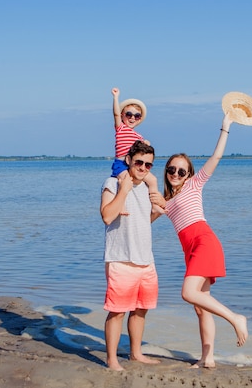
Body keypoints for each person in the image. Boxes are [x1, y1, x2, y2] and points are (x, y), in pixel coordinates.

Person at [160, 114, 248, 368]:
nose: (176, 173)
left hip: (204, 242)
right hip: (190, 250)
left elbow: (216, 157)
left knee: (188, 293)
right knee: (201, 307)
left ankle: (235, 318)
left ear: (189, 174)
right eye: (171, 169)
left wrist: (226, 127)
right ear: (166, 171)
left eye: (181, 171)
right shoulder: (164, 202)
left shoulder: (194, 186)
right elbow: (147, 215)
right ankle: (207, 358)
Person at [100, 140, 166, 371]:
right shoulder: (113, 183)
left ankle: (136, 353)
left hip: (146, 260)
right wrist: (125, 190)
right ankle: (112, 360)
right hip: (120, 259)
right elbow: (107, 216)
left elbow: (143, 221)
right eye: (139, 162)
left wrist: (158, 211)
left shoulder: (148, 187)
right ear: (128, 160)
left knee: (140, 310)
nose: (143, 168)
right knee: (117, 312)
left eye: (148, 165)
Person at [110, 87, 164, 214]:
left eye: (136, 116)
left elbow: (142, 151)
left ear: (140, 119)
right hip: (121, 164)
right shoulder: (120, 128)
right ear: (123, 115)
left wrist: (146, 143)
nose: (132, 118)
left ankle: (154, 204)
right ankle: (120, 206)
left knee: (153, 180)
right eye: (129, 114)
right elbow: (115, 114)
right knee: (125, 182)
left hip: (133, 164)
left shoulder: (139, 136)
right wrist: (116, 97)